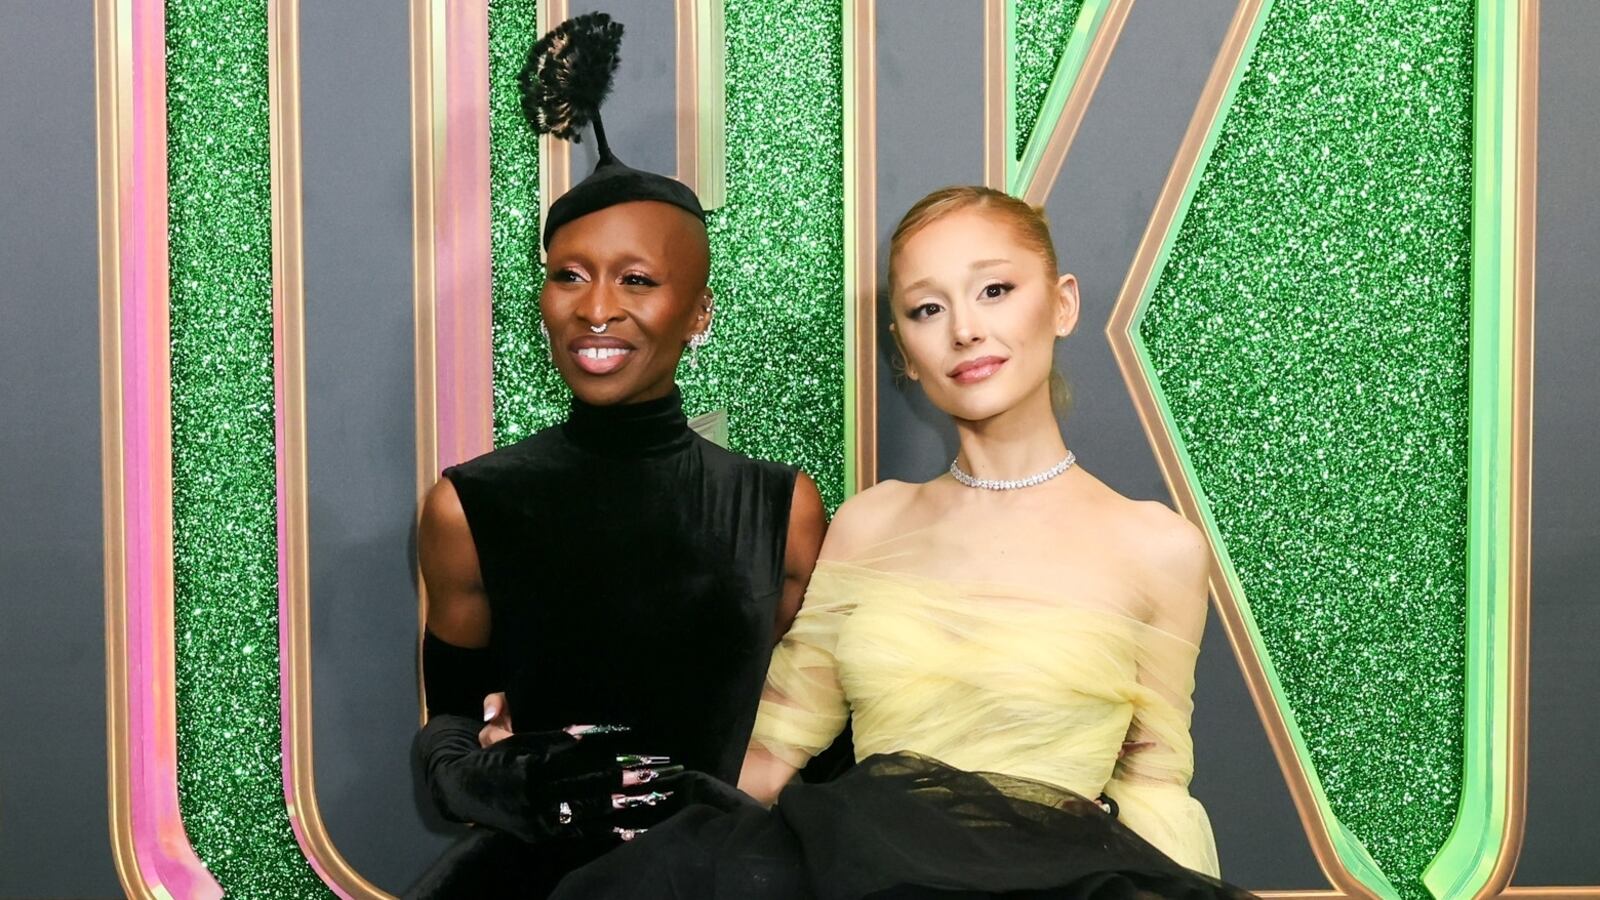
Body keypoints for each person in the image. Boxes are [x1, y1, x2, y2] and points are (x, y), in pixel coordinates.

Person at [548, 186, 1258, 899]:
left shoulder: (1157, 547)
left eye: (995, 290)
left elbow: (1155, 787)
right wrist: (589, 795)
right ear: (906, 352)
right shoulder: (872, 523)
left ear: (1063, 304)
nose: (965, 330)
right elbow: (770, 751)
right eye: (928, 309)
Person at [403, 14, 825, 898]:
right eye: (569, 274)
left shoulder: (780, 510)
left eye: (637, 279)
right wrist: (503, 781)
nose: (596, 308)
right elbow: (450, 734)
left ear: (698, 312)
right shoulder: (470, 508)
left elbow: (816, 739)